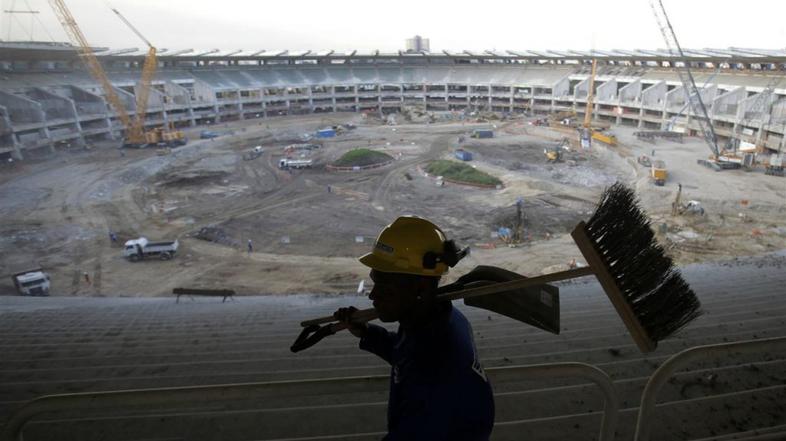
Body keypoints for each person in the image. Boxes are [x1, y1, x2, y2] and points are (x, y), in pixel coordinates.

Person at [334, 216, 494, 441]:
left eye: (384, 286)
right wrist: (367, 332)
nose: (372, 295)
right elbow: (405, 352)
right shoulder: (437, 319)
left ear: (420, 287)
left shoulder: (433, 383)